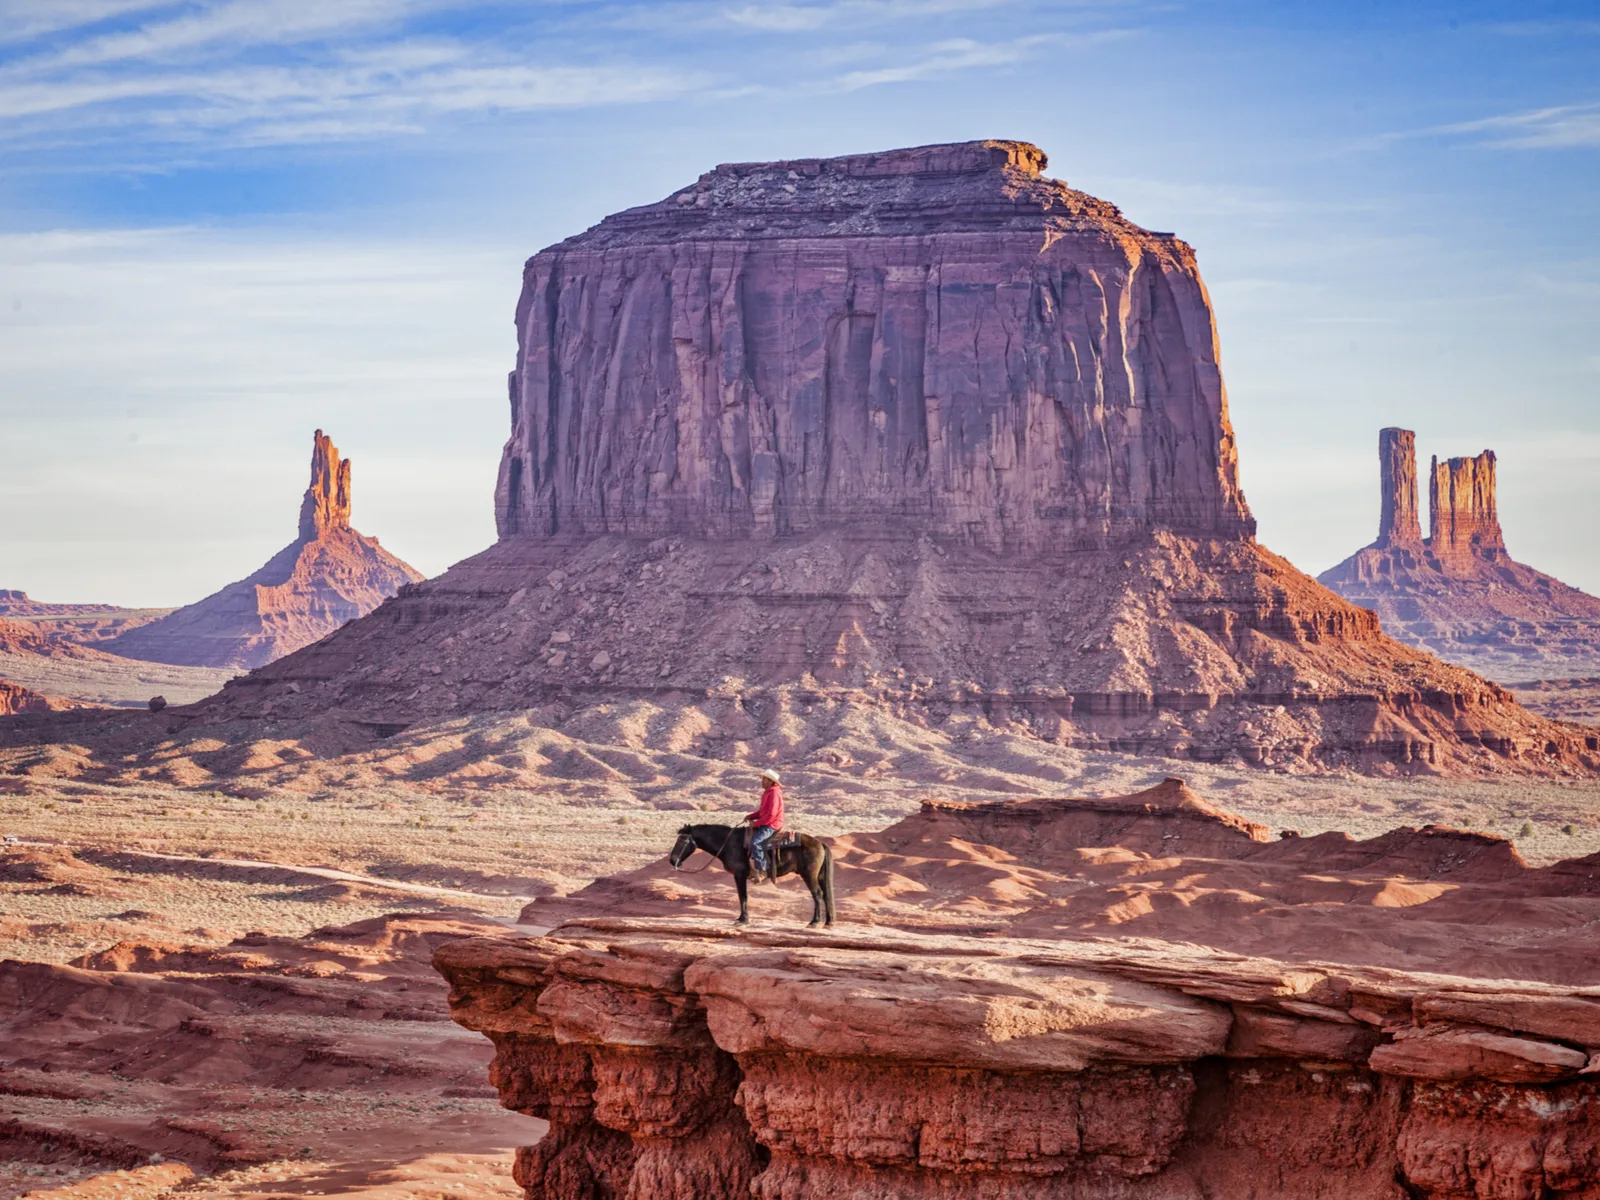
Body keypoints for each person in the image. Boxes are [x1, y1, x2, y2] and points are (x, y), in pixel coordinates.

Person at [745, 767, 784, 882]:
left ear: (771, 782)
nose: (762, 781)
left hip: (772, 824)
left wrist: (756, 824)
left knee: (757, 842)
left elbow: (771, 815)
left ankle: (762, 871)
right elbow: (763, 812)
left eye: (765, 779)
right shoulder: (768, 793)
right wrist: (751, 816)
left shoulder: (774, 793)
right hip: (768, 821)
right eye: (763, 779)